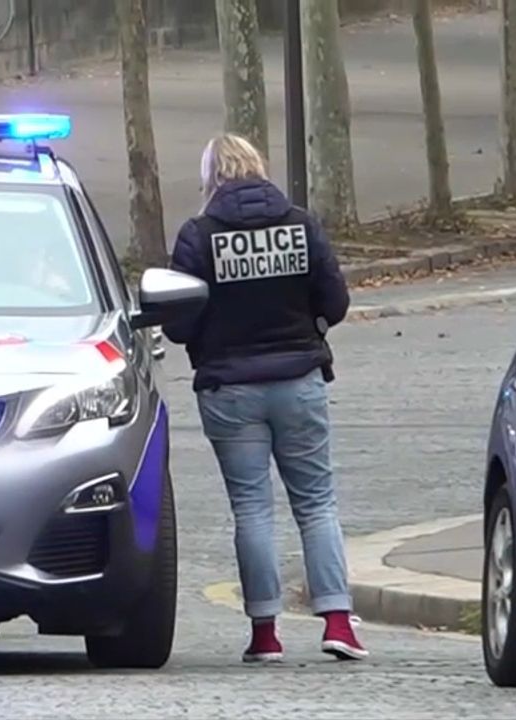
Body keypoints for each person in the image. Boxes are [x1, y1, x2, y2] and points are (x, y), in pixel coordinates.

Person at [162, 134, 366, 663]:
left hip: (229, 389)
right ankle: (339, 622)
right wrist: (310, 327)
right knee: (317, 503)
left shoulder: (198, 235)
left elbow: (180, 323)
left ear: (212, 177)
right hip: (299, 380)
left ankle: (265, 633)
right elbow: (336, 302)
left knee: (251, 509)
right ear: (258, 167)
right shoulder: (301, 225)